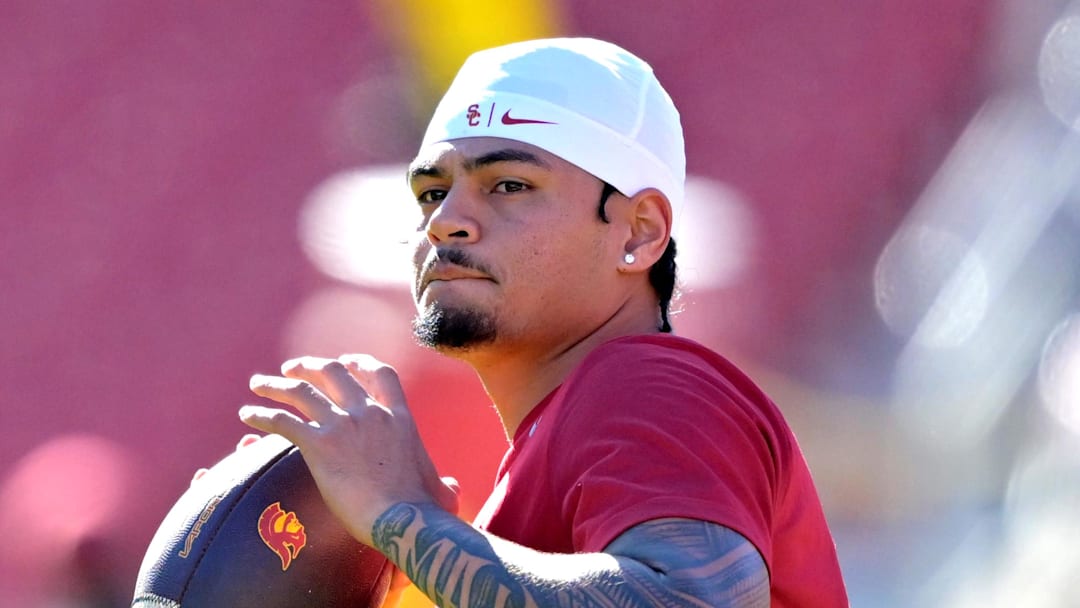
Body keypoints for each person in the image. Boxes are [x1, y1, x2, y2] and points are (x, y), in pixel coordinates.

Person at [240, 37, 848, 607]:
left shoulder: (649, 385)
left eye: (509, 185)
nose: (445, 222)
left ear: (639, 232)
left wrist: (400, 516)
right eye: (431, 193)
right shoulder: (556, 447)